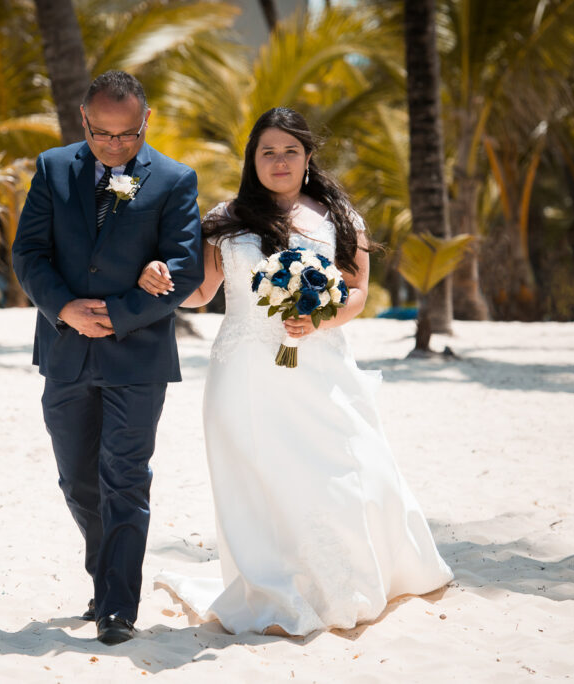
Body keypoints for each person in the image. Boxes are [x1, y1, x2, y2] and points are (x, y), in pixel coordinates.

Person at [140, 107, 452, 636]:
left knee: (337, 471)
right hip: (241, 372)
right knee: (257, 480)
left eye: (290, 151)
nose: (279, 161)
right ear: (252, 160)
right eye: (268, 152)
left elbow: (356, 292)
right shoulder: (226, 219)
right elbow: (201, 293)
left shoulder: (338, 217)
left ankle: (344, 580)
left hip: (318, 365)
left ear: (308, 158)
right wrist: (159, 277)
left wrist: (322, 315)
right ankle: (270, 586)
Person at [12, 71, 203, 645]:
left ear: (145, 121)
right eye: (101, 134)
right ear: (83, 119)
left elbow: (186, 268)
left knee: (124, 477)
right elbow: (29, 253)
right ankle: (104, 572)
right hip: (65, 348)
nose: (114, 146)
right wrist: (64, 308)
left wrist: (120, 312)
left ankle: (118, 606)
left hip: (137, 356)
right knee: (77, 480)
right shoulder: (50, 169)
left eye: (125, 135)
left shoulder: (174, 179)